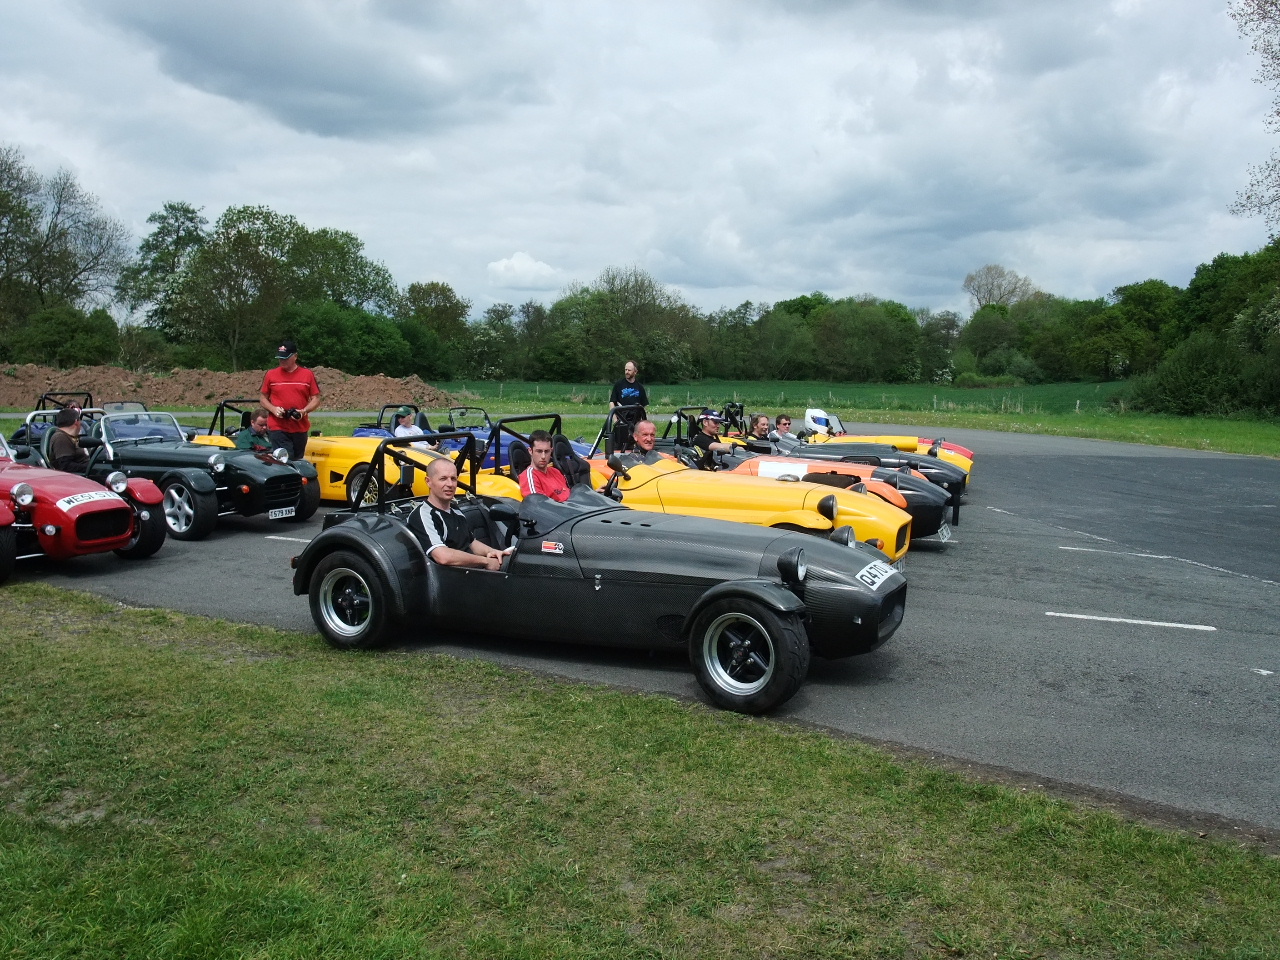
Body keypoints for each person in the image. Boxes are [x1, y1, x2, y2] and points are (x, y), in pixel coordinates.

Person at [408, 458, 510, 570]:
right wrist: (486, 561)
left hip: (471, 574)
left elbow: (471, 542)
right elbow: (442, 556)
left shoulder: (455, 509)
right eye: (443, 479)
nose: (450, 484)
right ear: (428, 481)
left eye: (453, 479)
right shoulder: (423, 515)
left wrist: (493, 552)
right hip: (449, 580)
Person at [259, 340, 320, 459]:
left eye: (285, 358)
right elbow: (262, 398)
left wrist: (304, 411)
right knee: (286, 459)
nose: (282, 361)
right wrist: (273, 409)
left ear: (295, 356)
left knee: (298, 459)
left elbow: (316, 398)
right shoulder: (271, 374)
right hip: (278, 426)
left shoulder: (307, 374)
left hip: (299, 427)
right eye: (280, 358)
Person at [517, 429, 570, 502]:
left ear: (551, 451)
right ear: (530, 451)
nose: (543, 456)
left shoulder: (556, 472)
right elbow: (538, 505)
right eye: (539, 451)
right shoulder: (529, 476)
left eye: (547, 451)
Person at [47, 407, 89, 472]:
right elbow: (66, 466)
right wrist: (92, 468)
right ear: (76, 422)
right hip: (81, 476)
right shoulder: (60, 438)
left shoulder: (72, 436)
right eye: (80, 420)